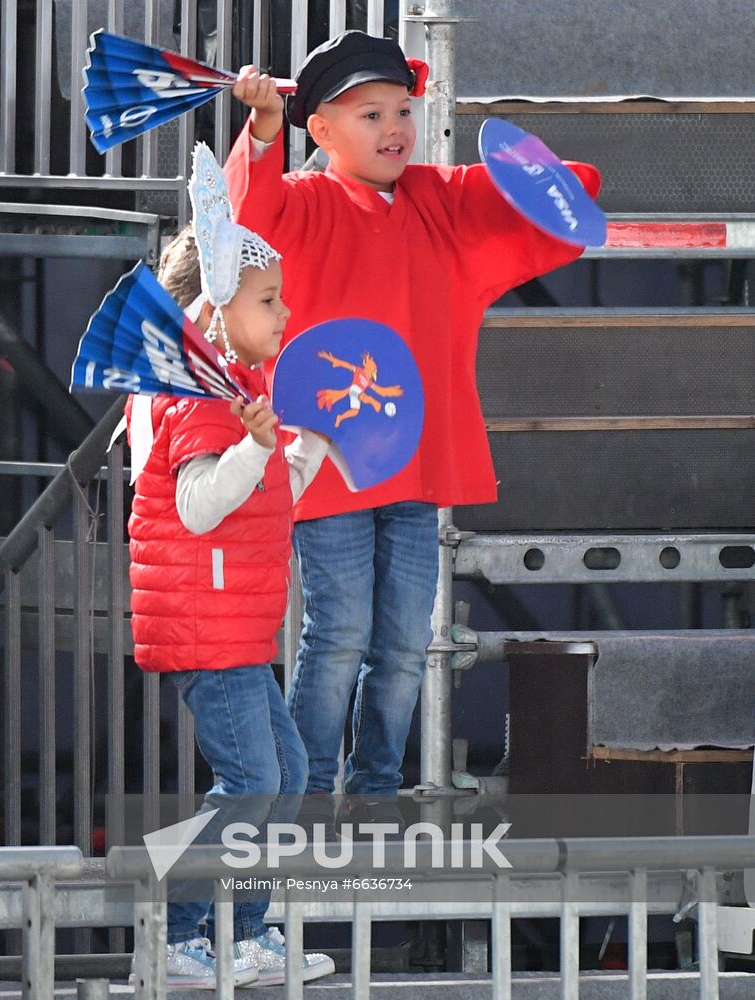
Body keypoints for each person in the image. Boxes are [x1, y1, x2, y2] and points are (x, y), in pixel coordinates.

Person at [225, 32, 601, 807]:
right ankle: (307, 796)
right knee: (337, 641)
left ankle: (372, 798)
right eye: (370, 114)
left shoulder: (442, 193)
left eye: (402, 109)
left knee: (400, 647)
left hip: (417, 459)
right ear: (320, 131)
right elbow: (247, 210)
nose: (396, 126)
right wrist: (261, 129)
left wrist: (532, 169)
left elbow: (570, 195)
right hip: (328, 455)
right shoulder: (301, 199)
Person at [125, 146, 335, 989]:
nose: (284, 313)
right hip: (209, 631)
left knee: (283, 778)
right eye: (268, 299)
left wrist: (303, 453)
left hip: (234, 627)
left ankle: (237, 933)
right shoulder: (200, 394)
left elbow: (255, 497)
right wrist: (260, 446)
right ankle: (177, 927)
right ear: (214, 311)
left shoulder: (230, 387)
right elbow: (201, 505)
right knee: (255, 779)